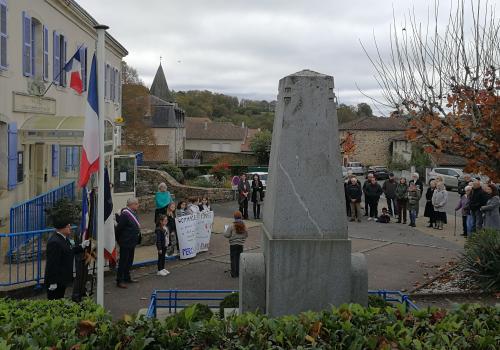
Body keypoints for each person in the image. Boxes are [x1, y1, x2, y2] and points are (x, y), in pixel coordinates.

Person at [44, 218, 90, 300]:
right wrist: (52, 282)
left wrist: (82, 246)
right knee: (54, 301)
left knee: (60, 299)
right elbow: (52, 264)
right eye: (68, 226)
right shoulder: (54, 242)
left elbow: (70, 250)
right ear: (62, 228)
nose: (70, 228)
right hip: (56, 280)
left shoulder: (63, 238)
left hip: (62, 279)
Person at [115, 198, 141, 288]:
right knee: (123, 261)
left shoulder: (133, 213)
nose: (138, 205)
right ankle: (120, 280)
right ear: (132, 204)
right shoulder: (125, 214)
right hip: (125, 242)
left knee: (129, 261)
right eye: (137, 204)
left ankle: (127, 277)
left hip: (132, 241)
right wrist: (120, 241)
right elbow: (119, 229)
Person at [224, 211, 248, 278]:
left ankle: (233, 274)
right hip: (240, 244)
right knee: (239, 258)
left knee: (233, 258)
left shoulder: (231, 226)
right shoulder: (244, 225)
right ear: (241, 217)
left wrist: (225, 231)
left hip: (233, 244)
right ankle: (238, 273)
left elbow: (226, 235)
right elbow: (246, 235)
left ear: (234, 217)